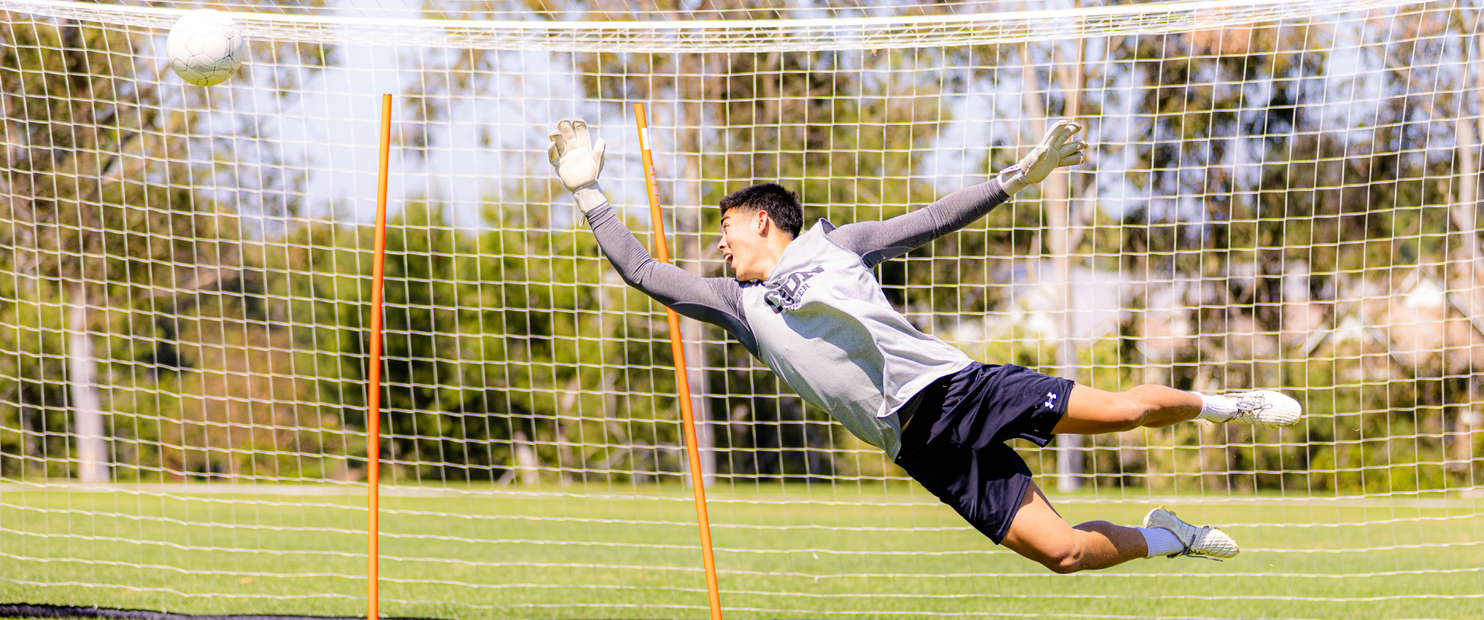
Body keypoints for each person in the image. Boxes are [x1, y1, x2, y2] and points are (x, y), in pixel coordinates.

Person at [547, 117, 1300, 572]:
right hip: (918, 446)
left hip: (959, 391)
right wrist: (588, 193)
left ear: (764, 222)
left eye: (726, 231)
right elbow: (644, 271)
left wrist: (1019, 178)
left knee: (1125, 415)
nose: (719, 247)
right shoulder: (735, 306)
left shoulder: (838, 246)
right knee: (1064, 554)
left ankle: (1228, 404)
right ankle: (1170, 539)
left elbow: (935, 218)